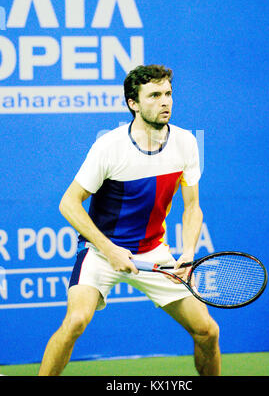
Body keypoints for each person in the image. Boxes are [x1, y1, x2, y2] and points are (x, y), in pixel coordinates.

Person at [38, 64, 221, 376]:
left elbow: (192, 208)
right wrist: (109, 250)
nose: (165, 102)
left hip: (153, 253)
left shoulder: (187, 143)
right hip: (101, 251)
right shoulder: (109, 146)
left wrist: (188, 253)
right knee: (76, 321)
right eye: (154, 96)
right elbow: (68, 203)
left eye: (168, 94)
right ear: (133, 104)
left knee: (207, 331)